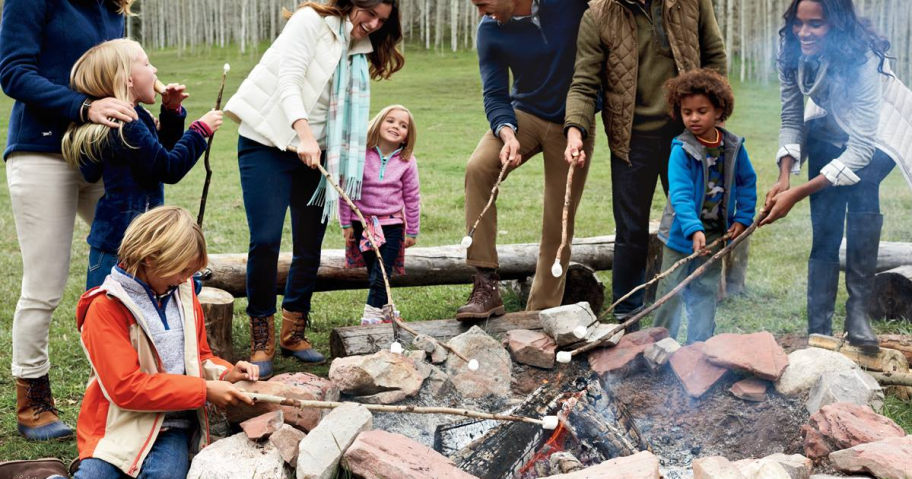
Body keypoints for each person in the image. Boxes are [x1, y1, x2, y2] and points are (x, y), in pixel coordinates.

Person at [224, 0, 404, 376]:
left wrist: (324, 147)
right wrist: (303, 134)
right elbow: (288, 81)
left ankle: (294, 332)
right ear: (353, 2)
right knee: (266, 240)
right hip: (267, 141)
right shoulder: (310, 22)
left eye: (382, 20)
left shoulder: (358, 47)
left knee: (310, 245)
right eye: (369, 13)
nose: (373, 24)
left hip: (316, 152)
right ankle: (261, 337)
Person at [0, 0, 140, 440]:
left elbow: (114, 73)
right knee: (44, 286)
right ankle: (33, 400)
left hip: (102, 153)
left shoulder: (114, 7)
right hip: (41, 153)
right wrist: (83, 107)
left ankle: (132, 380)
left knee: (137, 261)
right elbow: (13, 72)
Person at [61, 206, 258, 479]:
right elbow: (125, 388)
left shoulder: (184, 296)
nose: (185, 279)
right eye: (182, 270)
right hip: (117, 426)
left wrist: (227, 373)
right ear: (151, 258)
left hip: (172, 425)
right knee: (96, 476)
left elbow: (199, 356)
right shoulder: (105, 308)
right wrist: (204, 390)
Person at [564, 0, 727, 326]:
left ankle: (700, 316)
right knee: (630, 232)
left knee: (696, 221)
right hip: (631, 139)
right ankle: (628, 318)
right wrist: (574, 130)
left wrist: (714, 119)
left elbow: (715, 58)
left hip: (687, 136)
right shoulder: (597, 15)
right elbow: (584, 82)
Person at [762, 0, 912, 352]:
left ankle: (857, 311)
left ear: (837, 24)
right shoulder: (792, 50)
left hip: (879, 130)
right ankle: (819, 327)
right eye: (798, 23)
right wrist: (784, 177)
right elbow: (791, 117)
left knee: (863, 185)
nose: (804, 32)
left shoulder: (862, 58)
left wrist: (797, 193)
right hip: (829, 124)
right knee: (826, 221)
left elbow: (860, 150)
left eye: (815, 24)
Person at [458, 0, 595, 320]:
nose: (480, 12)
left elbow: (593, 68)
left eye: (482, 4)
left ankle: (540, 313)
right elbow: (495, 94)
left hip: (573, 123)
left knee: (558, 218)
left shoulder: (568, 5)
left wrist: (578, 126)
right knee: (479, 167)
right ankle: (486, 285)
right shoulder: (490, 31)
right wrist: (507, 135)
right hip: (524, 116)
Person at [61, 39, 223, 290]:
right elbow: (168, 168)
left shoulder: (135, 117)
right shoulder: (125, 124)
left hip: (131, 243)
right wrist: (199, 131)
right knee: (108, 309)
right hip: (120, 250)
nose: (155, 69)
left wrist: (171, 113)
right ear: (127, 79)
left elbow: (158, 154)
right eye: (147, 64)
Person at [653, 69, 757, 344]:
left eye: (702, 111)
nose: (694, 118)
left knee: (705, 290)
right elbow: (680, 193)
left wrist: (743, 217)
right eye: (687, 112)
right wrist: (692, 228)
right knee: (670, 291)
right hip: (680, 235)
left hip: (714, 234)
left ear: (719, 110)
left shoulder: (733, 147)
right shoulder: (681, 149)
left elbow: (747, 181)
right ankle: (661, 345)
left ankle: (699, 347)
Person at [340, 105, 420, 325]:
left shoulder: (407, 161)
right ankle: (387, 310)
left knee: (383, 269)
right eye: (390, 121)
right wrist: (346, 223)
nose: (396, 127)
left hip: (393, 224)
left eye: (403, 125)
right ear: (378, 123)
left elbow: (412, 197)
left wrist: (412, 230)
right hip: (363, 224)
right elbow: (345, 190)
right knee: (375, 270)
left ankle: (370, 315)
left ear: (407, 136)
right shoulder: (360, 156)